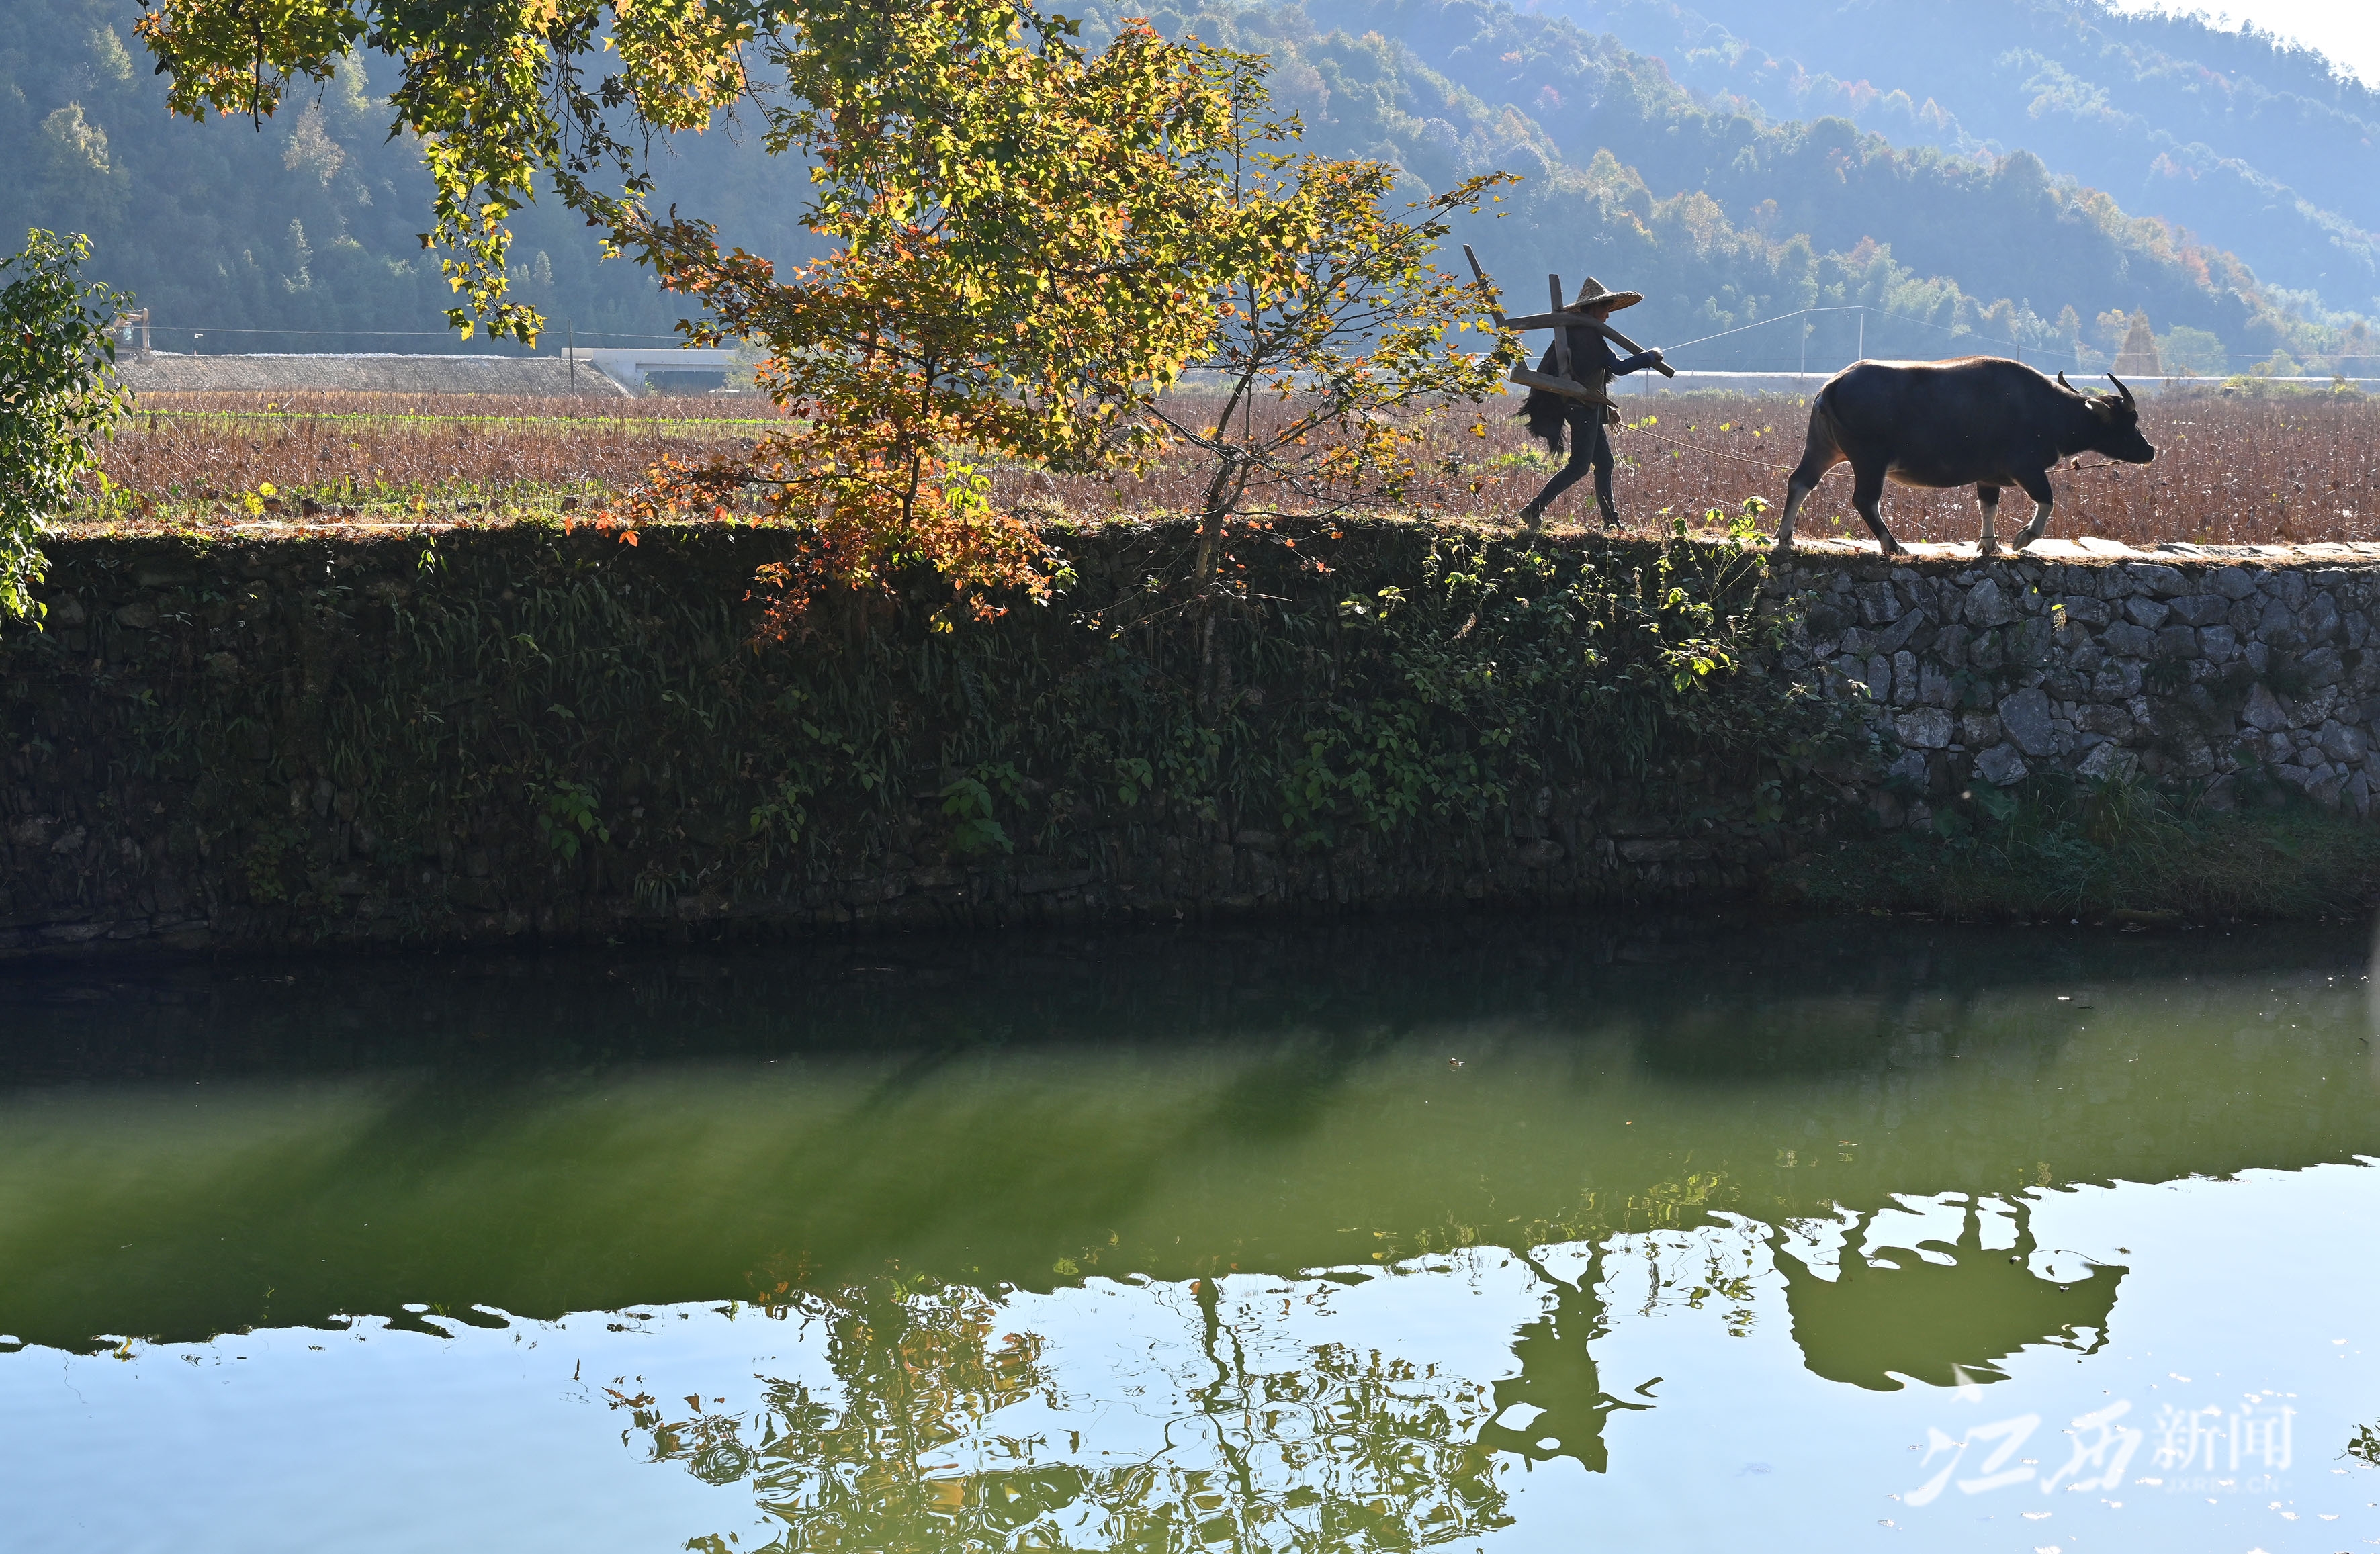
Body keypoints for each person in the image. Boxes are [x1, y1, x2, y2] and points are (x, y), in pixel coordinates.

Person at [1516, 277, 1665, 529]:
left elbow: (1592, 377)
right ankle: (1534, 509)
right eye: (1605, 309)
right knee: (1579, 467)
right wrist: (1650, 356)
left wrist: (1606, 411)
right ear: (1591, 309)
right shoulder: (1586, 336)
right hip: (1581, 408)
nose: (1608, 316)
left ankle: (1611, 522)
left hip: (1589, 408)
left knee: (1605, 463)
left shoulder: (1583, 334)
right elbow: (1618, 366)